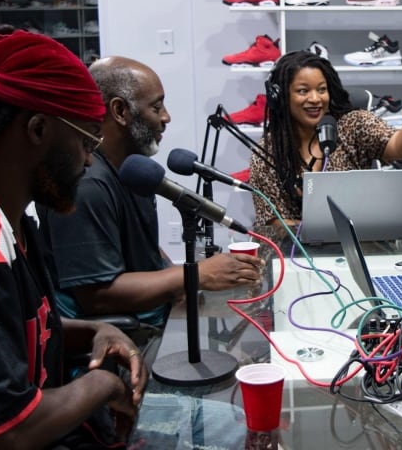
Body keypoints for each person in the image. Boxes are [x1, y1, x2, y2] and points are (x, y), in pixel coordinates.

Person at [0, 31, 148, 448]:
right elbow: (4, 432)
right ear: (37, 128)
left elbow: (3, 331)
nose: (89, 160)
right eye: (86, 141)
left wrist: (92, 331)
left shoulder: (6, 212)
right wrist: (103, 386)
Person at [36, 56, 263, 357]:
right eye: (156, 108)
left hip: (154, 318)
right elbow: (97, 296)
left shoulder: (132, 170)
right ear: (120, 111)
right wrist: (193, 275)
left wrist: (180, 280)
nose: (166, 117)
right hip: (122, 345)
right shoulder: (88, 186)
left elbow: (143, 251)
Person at [250, 50, 402, 226]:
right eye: (303, 91)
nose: (315, 98)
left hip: (361, 244)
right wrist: (324, 232)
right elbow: (272, 221)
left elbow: (400, 148)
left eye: (322, 89)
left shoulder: (353, 124)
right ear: (281, 97)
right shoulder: (268, 150)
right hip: (296, 251)